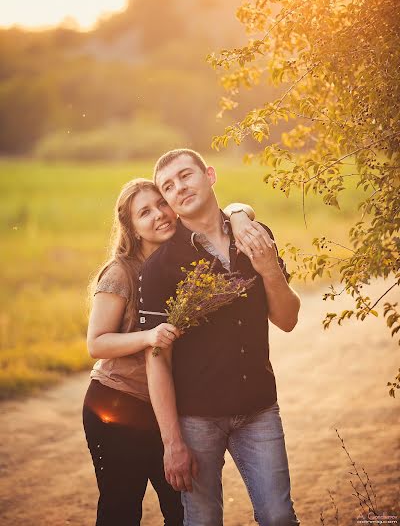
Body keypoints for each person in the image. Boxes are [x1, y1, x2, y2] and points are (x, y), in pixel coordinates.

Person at [83, 176, 260, 526]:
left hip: (169, 411)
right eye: (144, 212)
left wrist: (240, 214)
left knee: (181, 512)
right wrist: (149, 337)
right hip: (119, 404)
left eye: (162, 203)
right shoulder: (122, 272)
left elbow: (236, 211)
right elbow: (96, 343)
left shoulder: (187, 262)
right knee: (121, 511)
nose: (159, 215)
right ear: (132, 229)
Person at [140, 149, 301, 526]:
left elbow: (288, 320)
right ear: (167, 202)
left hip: (259, 410)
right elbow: (157, 359)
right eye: (168, 186)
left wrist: (268, 268)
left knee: (279, 517)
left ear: (209, 175)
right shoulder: (160, 268)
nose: (179, 188)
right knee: (204, 520)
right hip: (196, 419)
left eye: (185, 176)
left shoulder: (256, 235)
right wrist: (172, 442)